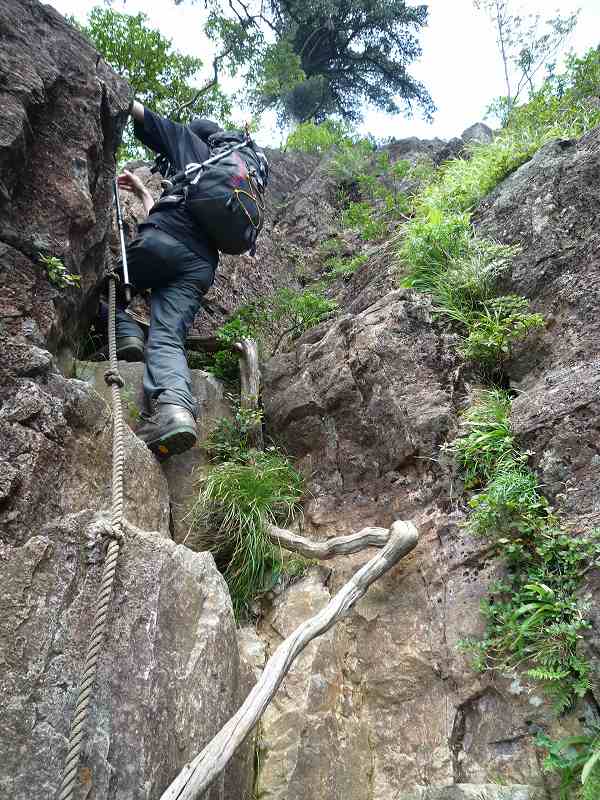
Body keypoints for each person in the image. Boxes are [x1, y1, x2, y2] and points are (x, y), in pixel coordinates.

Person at [114, 101, 222, 460]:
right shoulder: (223, 178)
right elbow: (168, 212)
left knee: (105, 285)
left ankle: (125, 331)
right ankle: (175, 411)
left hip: (166, 240)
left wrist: (117, 90)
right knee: (166, 337)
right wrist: (146, 194)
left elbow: (146, 117)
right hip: (201, 265)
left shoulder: (190, 146)